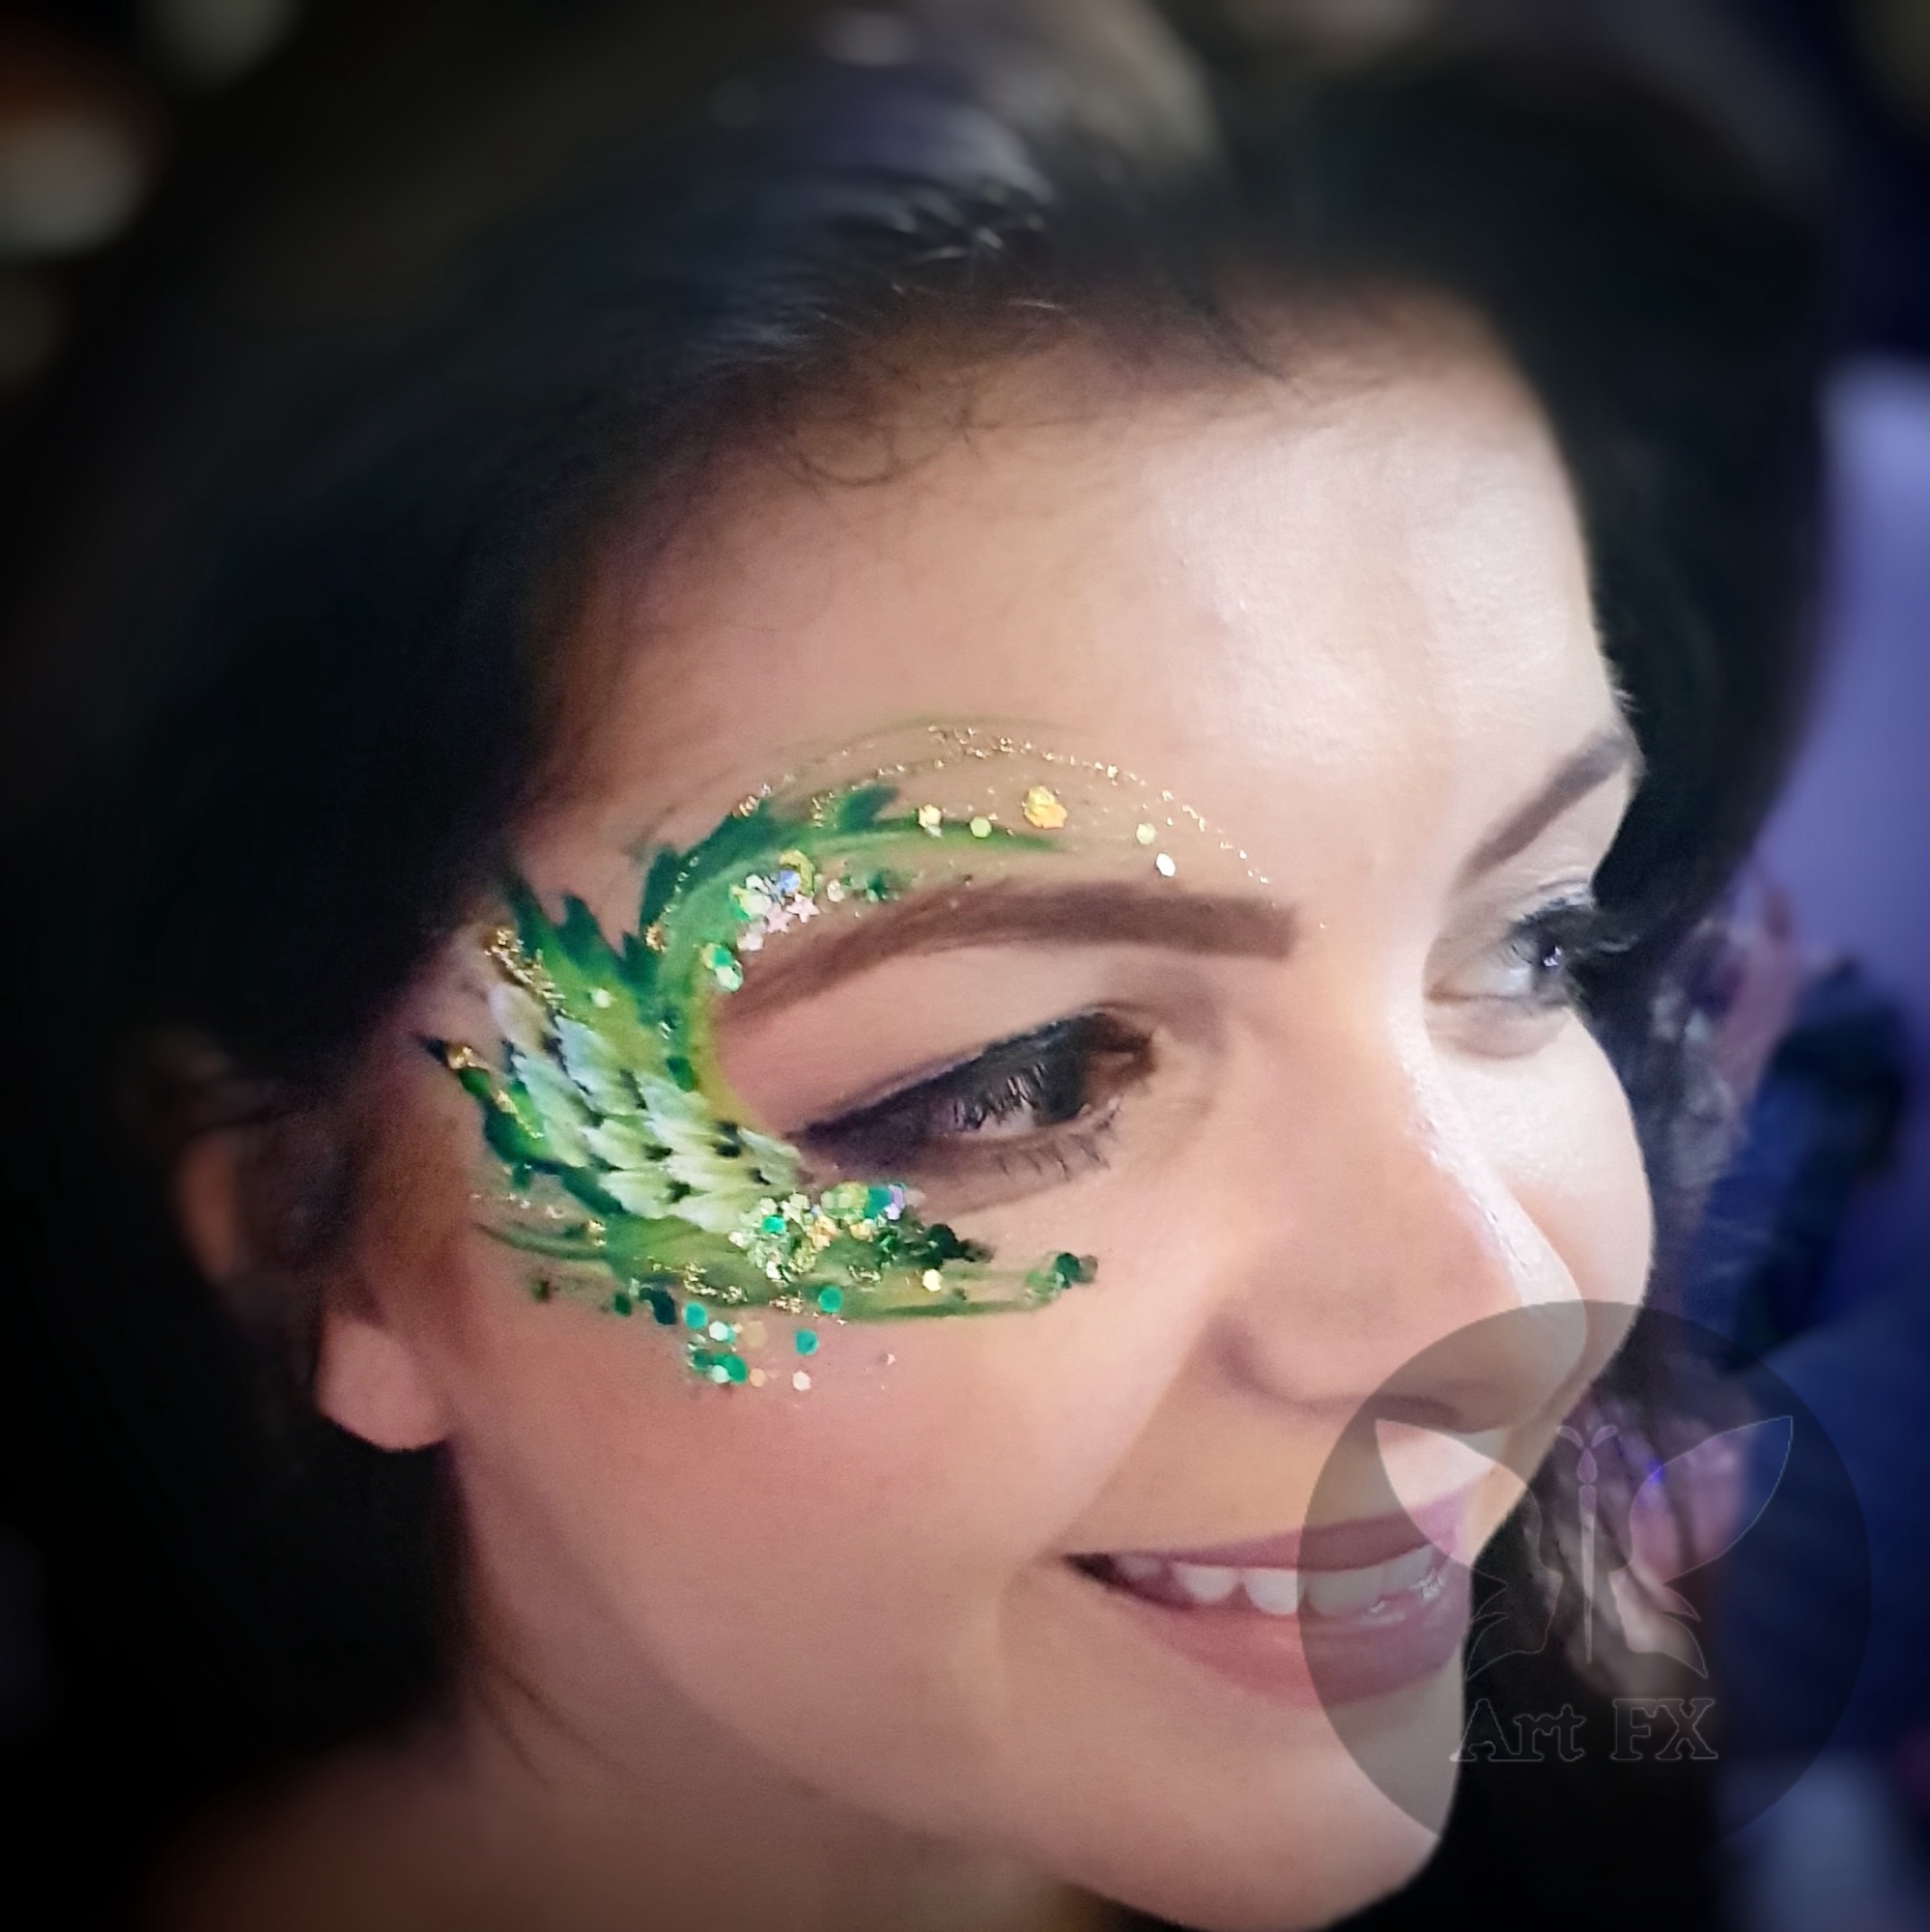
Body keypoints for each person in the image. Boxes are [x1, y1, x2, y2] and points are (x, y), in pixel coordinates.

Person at [0, 3, 1821, 1927]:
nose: (1496, 1296)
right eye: (1021, 1075)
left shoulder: (1642, 1786)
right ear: (309, 1219)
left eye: (1531, 937)